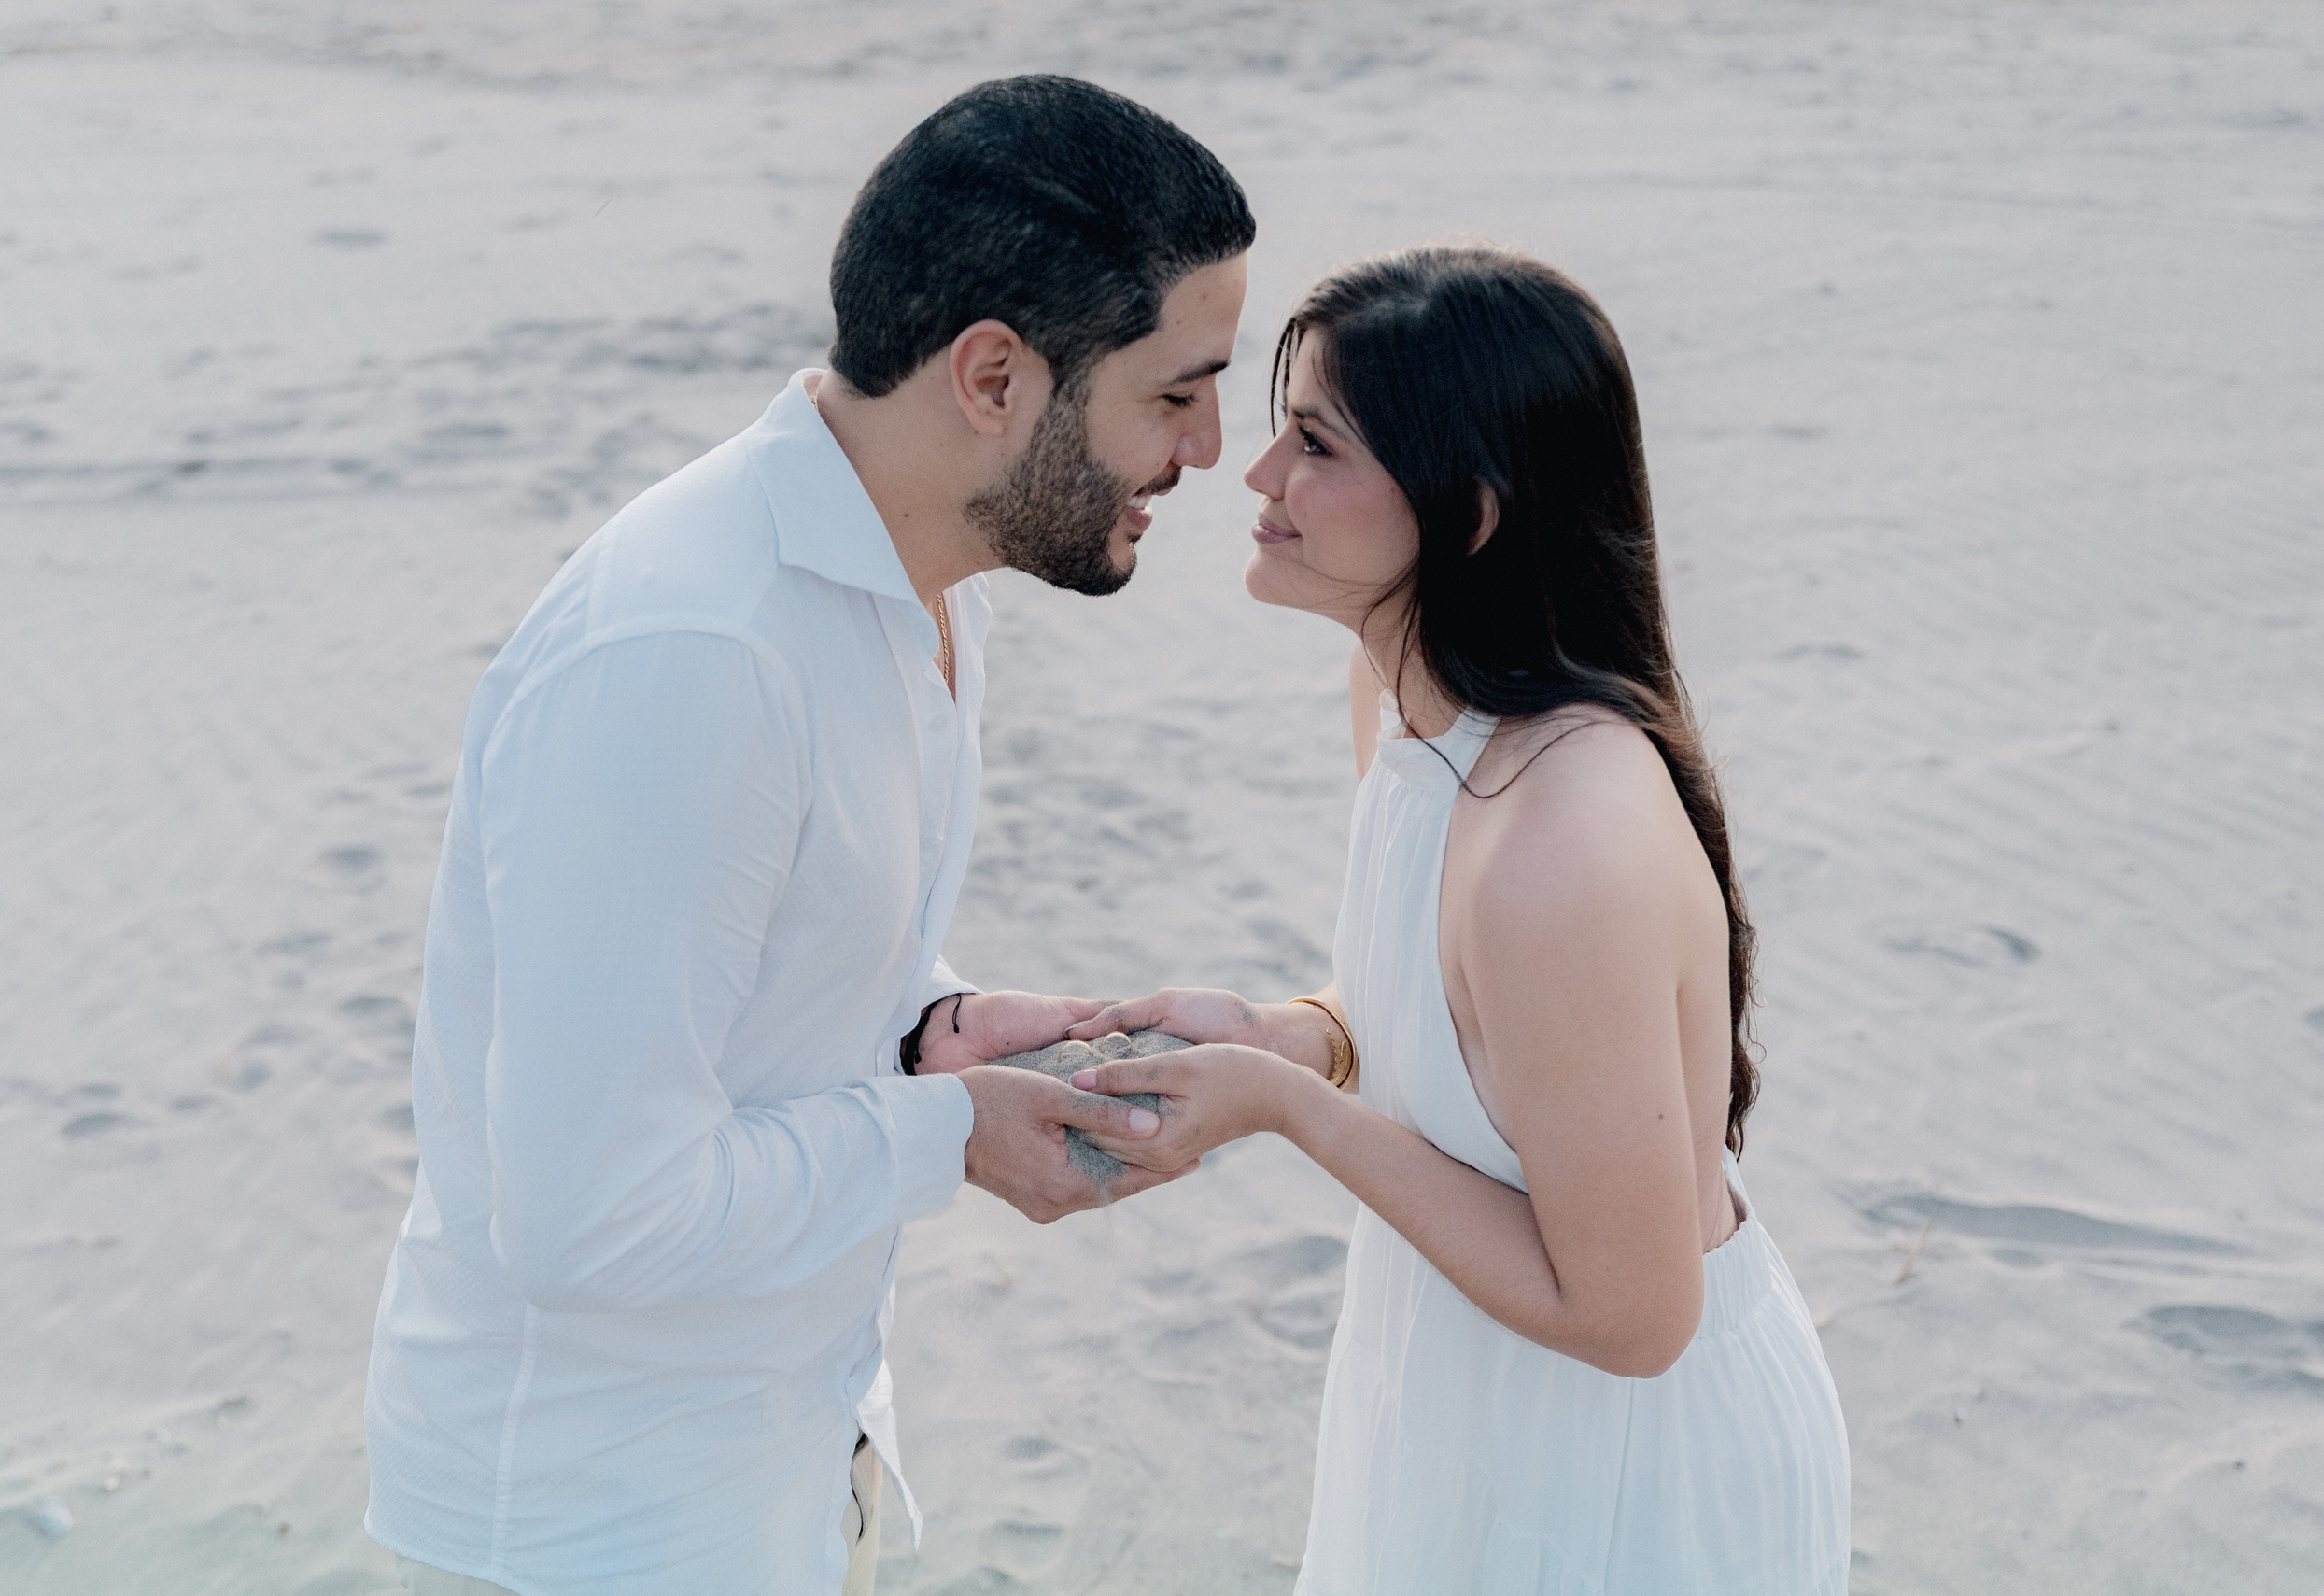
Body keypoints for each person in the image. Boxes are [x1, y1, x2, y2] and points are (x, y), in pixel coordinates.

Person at [361, 77, 1251, 1596]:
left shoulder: (931, 583)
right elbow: (590, 1220)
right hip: (590, 1533)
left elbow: (761, 964)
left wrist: (933, 1027)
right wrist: (947, 1133)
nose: (1215, 449)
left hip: (775, 1462)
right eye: (1174, 392)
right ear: (992, 377)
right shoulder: (693, 654)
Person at [1069, 247, 1852, 1592]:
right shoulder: (1405, 703)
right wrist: (1293, 1032)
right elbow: (1473, 1047)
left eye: (1315, 444)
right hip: (1463, 1386)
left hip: (1627, 1470)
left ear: (1470, 511)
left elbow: (1632, 1315)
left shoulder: (1564, 838)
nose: (1257, 478)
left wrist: (1284, 1104)